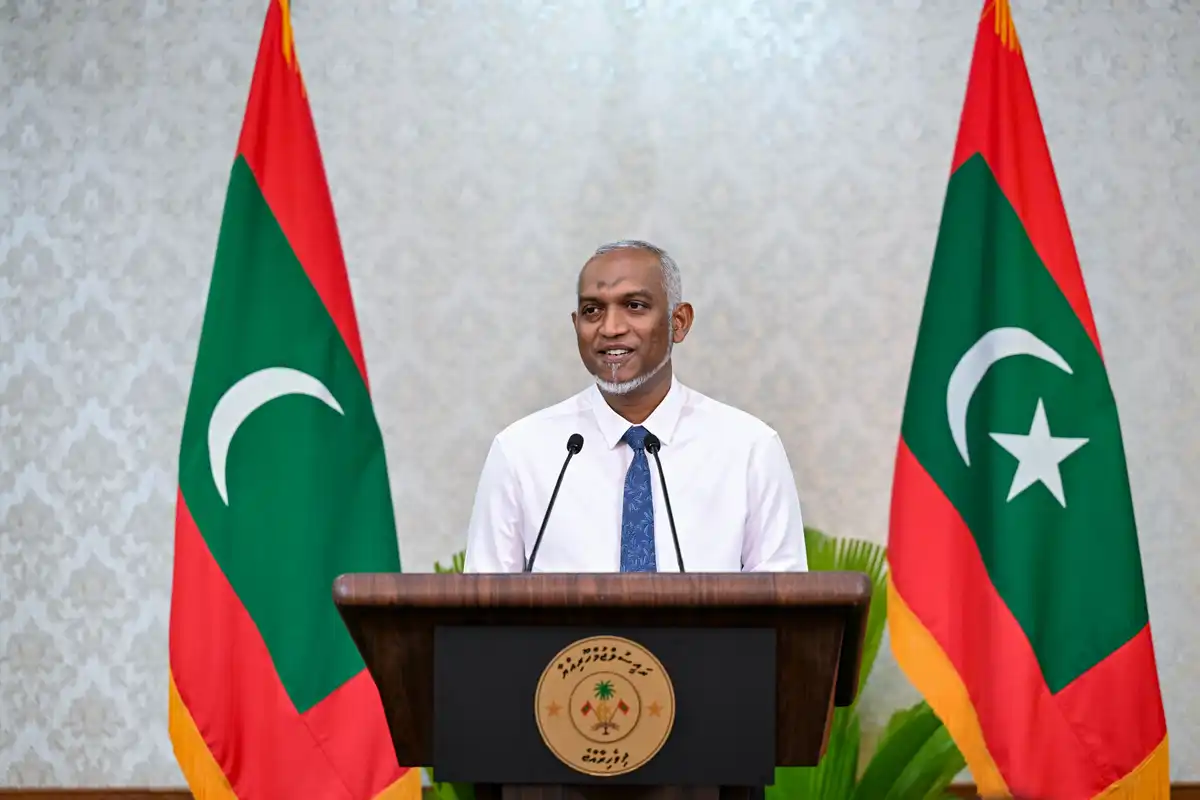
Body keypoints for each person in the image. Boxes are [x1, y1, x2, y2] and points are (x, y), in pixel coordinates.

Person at [462, 240, 808, 573]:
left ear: (679, 322)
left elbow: (786, 612)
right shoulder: (521, 451)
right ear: (576, 325)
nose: (610, 328)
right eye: (592, 310)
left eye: (635, 306)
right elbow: (482, 611)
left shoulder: (749, 449)